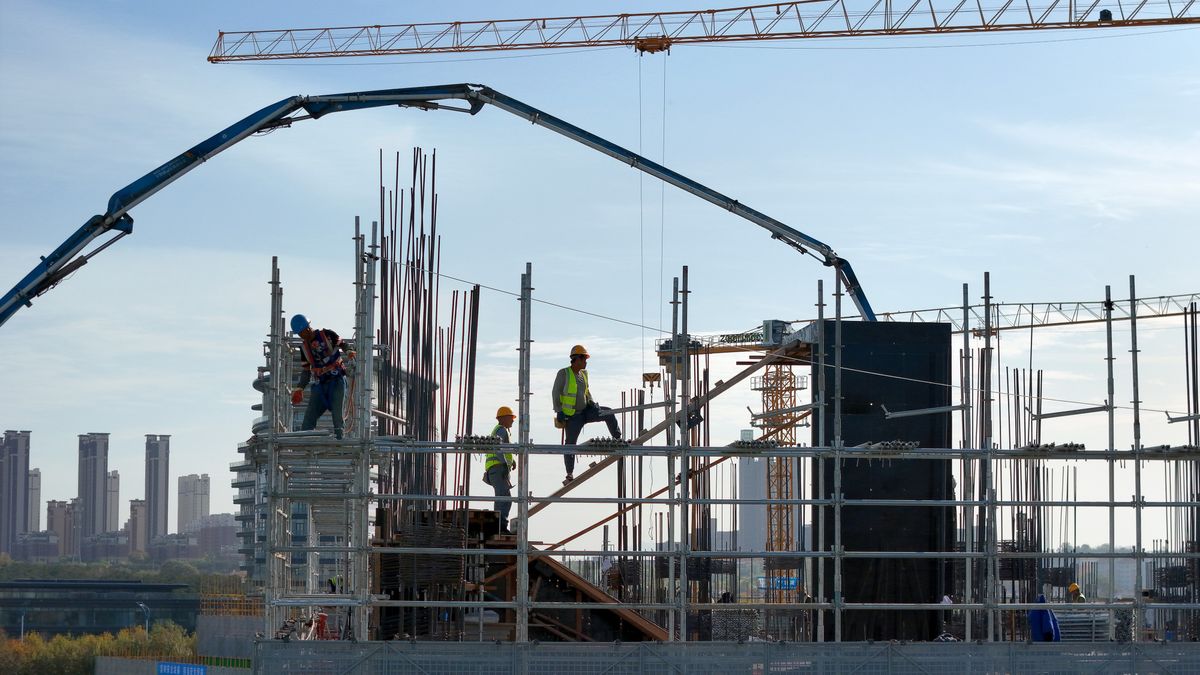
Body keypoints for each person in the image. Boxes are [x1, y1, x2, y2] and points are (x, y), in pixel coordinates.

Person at [552, 344, 621, 484]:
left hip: (586, 412)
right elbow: (555, 392)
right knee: (570, 445)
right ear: (576, 359)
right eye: (584, 359)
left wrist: (592, 403)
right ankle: (569, 473)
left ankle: (618, 438)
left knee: (608, 412)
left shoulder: (584, 374)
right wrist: (558, 410)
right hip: (572, 416)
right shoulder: (564, 373)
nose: (586, 362)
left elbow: (586, 391)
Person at [290, 314, 352, 439]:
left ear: (308, 328)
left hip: (337, 381)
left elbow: (342, 343)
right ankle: (305, 447)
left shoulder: (327, 335)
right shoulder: (304, 348)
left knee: (337, 418)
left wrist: (349, 351)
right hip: (321, 385)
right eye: (299, 335)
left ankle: (340, 446)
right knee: (309, 418)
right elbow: (306, 370)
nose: (301, 336)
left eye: (302, 333)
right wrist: (300, 388)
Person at [486, 406, 517, 535]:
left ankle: (500, 526)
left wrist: (511, 461)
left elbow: (504, 449)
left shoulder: (500, 430)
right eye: (511, 418)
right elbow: (498, 448)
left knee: (503, 497)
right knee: (503, 497)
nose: (513, 421)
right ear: (503, 418)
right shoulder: (502, 430)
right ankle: (500, 527)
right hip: (498, 468)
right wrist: (505, 464)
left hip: (497, 468)